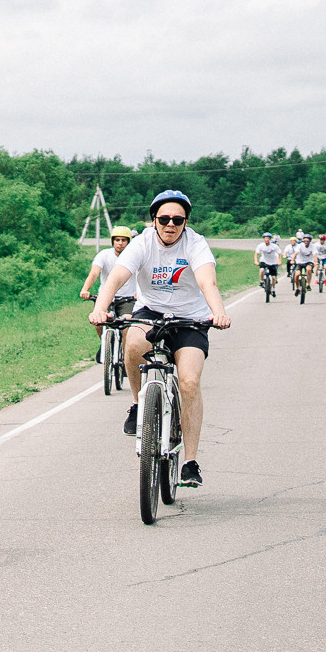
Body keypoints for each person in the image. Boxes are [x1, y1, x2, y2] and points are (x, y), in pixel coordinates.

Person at [92, 189, 230, 487]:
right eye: (164, 219)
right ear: (153, 220)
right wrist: (100, 309)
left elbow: (208, 281)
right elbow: (115, 278)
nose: (170, 225)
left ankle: (190, 462)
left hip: (190, 318)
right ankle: (137, 404)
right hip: (151, 311)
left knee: (189, 382)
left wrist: (218, 312)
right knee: (133, 343)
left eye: (177, 220)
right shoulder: (142, 243)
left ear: (186, 222)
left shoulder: (195, 244)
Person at [82, 226, 136, 303]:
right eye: (117, 240)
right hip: (105, 296)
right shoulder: (103, 254)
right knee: (99, 311)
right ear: (113, 241)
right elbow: (94, 273)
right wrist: (85, 289)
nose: (120, 243)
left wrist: (140, 293)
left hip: (128, 298)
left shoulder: (134, 257)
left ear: (128, 242)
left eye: (123, 240)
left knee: (128, 311)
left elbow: (142, 275)